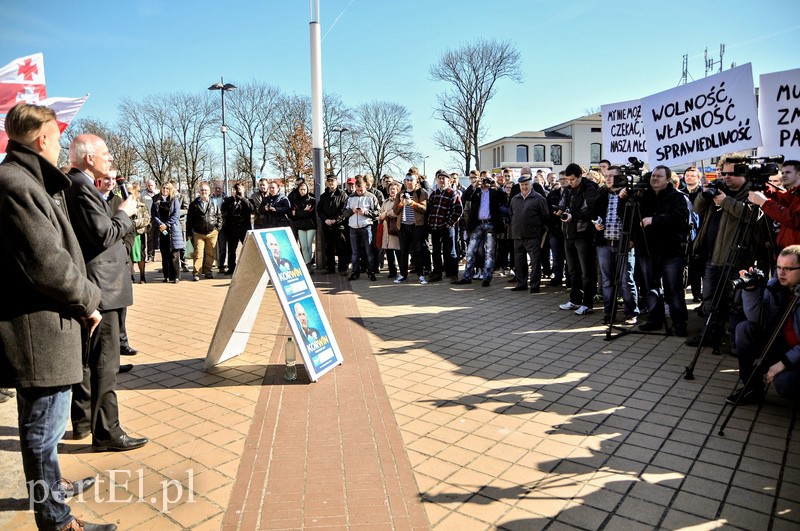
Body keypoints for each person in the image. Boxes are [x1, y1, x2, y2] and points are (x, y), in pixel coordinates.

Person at [0, 103, 116, 531]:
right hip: (39, 329)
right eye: (58, 138)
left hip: (49, 325)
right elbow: (46, 261)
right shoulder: (16, 183)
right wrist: (89, 298)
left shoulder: (26, 179)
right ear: (43, 139)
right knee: (42, 430)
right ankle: (56, 520)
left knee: (42, 426)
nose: (60, 146)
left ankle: (52, 491)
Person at [64, 133, 148, 454]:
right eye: (106, 155)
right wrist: (124, 211)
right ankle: (107, 430)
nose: (110, 160)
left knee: (91, 360)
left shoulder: (83, 186)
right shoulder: (80, 186)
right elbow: (103, 234)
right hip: (102, 287)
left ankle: (85, 421)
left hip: (99, 284)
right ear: (89, 158)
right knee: (105, 363)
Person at [690, 153, 764, 347]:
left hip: (738, 257)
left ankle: (734, 341)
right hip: (712, 255)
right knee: (710, 300)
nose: (726, 177)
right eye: (723, 173)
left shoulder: (754, 192)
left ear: (744, 172)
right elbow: (697, 209)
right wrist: (705, 193)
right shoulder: (719, 188)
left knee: (735, 304)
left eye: (731, 173)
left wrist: (725, 202)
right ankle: (709, 335)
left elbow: (753, 215)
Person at [730, 245, 800, 405]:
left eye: (788, 269)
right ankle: (752, 388)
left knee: (784, 383)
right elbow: (757, 319)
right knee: (745, 329)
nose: (782, 273)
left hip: (795, 354)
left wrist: (784, 362)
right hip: (782, 346)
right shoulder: (776, 286)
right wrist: (750, 290)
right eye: (779, 267)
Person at [635, 166, 689, 335]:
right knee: (651, 287)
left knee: (673, 288)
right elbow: (628, 216)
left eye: (659, 176)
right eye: (653, 175)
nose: (655, 179)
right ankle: (654, 319)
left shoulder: (678, 197)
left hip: (670, 251)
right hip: (647, 249)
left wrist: (655, 220)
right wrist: (624, 199)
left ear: (668, 179)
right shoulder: (642, 196)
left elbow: (679, 218)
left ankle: (679, 323)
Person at [593, 167, 639, 325]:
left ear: (621, 178)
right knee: (606, 281)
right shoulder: (601, 194)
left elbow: (633, 219)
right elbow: (593, 213)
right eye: (606, 175)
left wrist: (633, 239)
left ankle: (631, 312)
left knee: (626, 280)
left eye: (612, 176)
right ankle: (609, 313)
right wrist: (596, 223)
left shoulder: (630, 195)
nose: (608, 178)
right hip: (604, 244)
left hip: (623, 244)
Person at [556, 163, 599, 316]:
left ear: (580, 176)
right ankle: (575, 299)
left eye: (572, 179)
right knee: (573, 270)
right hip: (568, 234)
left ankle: (588, 303)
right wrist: (559, 211)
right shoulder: (567, 190)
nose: (570, 182)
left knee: (586, 272)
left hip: (583, 235)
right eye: (567, 179)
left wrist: (573, 216)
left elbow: (590, 210)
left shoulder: (590, 188)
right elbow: (561, 205)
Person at [455, 174, 508, 287]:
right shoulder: (476, 192)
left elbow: (504, 199)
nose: (484, 182)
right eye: (483, 180)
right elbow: (465, 197)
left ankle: (487, 278)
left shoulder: (495, 192)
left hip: (490, 224)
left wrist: (496, 184)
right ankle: (467, 277)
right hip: (477, 224)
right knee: (470, 251)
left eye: (486, 180)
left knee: (489, 252)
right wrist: (473, 185)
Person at [748, 160, 800, 255]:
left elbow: (795, 219)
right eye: (782, 172)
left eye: (788, 172)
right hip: (787, 253)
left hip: (795, 255)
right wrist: (764, 188)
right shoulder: (795, 193)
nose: (783, 175)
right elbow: (782, 199)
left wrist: (764, 202)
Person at [509, 173, 549, 293]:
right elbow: (512, 214)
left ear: (531, 185)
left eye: (526, 184)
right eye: (522, 185)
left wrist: (538, 231)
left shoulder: (539, 199)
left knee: (535, 262)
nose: (524, 187)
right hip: (517, 235)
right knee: (519, 262)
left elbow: (545, 217)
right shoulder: (515, 199)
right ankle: (521, 283)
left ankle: (535, 285)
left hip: (533, 236)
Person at [427, 170, 463, 283]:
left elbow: (458, 210)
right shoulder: (434, 193)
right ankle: (437, 273)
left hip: (447, 227)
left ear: (449, 180)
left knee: (451, 251)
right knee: (436, 251)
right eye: (439, 178)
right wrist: (430, 223)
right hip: (435, 227)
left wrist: (450, 223)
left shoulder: (452, 193)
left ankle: (453, 274)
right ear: (437, 180)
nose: (441, 180)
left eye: (444, 178)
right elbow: (429, 209)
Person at [394, 172, 429, 284]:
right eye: (407, 180)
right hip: (403, 226)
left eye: (411, 180)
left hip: (416, 226)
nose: (408, 182)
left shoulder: (421, 193)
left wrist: (412, 203)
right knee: (403, 252)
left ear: (416, 181)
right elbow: (395, 211)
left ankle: (421, 274)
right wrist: (401, 203)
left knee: (418, 251)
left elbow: (424, 209)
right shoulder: (400, 193)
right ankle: (403, 274)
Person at [342, 176, 379, 281]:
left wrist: (365, 212)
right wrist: (352, 211)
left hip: (366, 227)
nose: (359, 192)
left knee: (369, 251)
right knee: (355, 252)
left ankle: (371, 271)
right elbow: (344, 212)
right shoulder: (350, 198)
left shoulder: (371, 197)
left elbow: (377, 212)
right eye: (357, 190)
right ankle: (355, 272)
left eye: (361, 190)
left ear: (365, 187)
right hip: (353, 227)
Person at [186, 182, 222, 281]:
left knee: (210, 253)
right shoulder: (194, 204)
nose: (204, 192)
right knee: (198, 253)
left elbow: (219, 217)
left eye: (206, 190)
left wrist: (217, 229)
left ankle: (208, 271)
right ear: (199, 191)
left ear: (209, 192)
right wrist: (189, 233)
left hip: (212, 233)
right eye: (202, 190)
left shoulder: (214, 203)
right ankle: (196, 272)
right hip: (198, 233)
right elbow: (189, 220)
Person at [152, 182, 185, 283]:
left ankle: (175, 276)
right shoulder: (156, 201)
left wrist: (167, 225)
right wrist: (161, 225)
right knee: (164, 253)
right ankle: (166, 276)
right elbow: (154, 215)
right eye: (163, 188)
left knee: (174, 254)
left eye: (167, 188)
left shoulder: (174, 200)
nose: (165, 190)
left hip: (173, 230)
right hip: (163, 231)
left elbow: (176, 215)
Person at [318, 175, 349, 274]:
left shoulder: (343, 194)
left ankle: (342, 268)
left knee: (341, 247)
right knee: (328, 248)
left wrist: (336, 220)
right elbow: (320, 210)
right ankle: (330, 267)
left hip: (339, 225)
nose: (331, 183)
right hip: (327, 225)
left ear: (337, 182)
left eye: (333, 181)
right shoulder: (323, 196)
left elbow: (344, 210)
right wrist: (325, 219)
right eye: (329, 181)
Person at [220, 182, 252, 275]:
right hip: (232, 230)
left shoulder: (248, 200)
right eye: (236, 190)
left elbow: (252, 208)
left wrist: (243, 199)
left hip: (244, 229)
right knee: (231, 251)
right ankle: (231, 268)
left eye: (239, 190)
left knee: (247, 250)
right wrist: (232, 199)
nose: (237, 192)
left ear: (243, 190)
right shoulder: (228, 200)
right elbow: (223, 210)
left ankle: (248, 267)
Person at [290, 181, 317, 266]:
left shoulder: (312, 200)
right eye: (301, 189)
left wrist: (298, 212)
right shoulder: (295, 201)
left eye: (304, 189)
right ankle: (308, 263)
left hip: (310, 225)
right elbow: (293, 214)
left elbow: (309, 212)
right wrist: (303, 211)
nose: (302, 191)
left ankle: (308, 263)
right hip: (300, 226)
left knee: (309, 245)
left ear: (307, 190)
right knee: (304, 246)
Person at [379, 180, 402, 278]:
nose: (392, 191)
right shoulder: (385, 201)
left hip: (396, 229)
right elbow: (381, 214)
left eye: (394, 189)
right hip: (386, 229)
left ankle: (402, 270)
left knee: (398, 252)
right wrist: (387, 213)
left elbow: (397, 212)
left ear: (398, 190)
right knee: (389, 252)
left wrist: (388, 213)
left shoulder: (400, 201)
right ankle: (392, 271)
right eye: (390, 189)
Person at [210, 183, 227, 273]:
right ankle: (209, 264)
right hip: (211, 226)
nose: (217, 190)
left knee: (222, 246)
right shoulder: (209, 199)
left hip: (223, 226)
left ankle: (221, 265)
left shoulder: (226, 199)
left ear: (222, 189)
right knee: (210, 246)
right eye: (216, 188)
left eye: (219, 188)